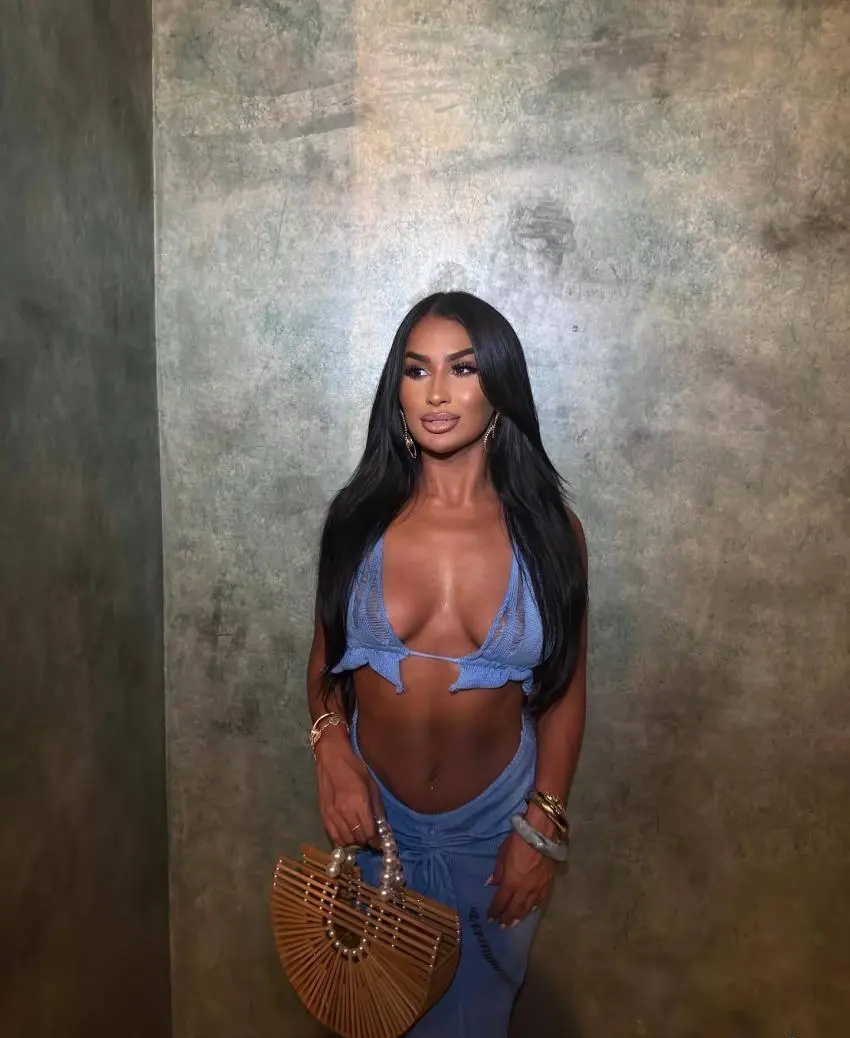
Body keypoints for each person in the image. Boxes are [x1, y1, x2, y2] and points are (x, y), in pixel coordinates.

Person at [306, 291, 588, 1037]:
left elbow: (565, 693)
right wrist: (331, 751)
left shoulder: (552, 534)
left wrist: (541, 828)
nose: (436, 392)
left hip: (497, 839)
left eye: (462, 369)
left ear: (499, 386)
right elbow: (324, 670)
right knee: (372, 1018)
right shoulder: (356, 521)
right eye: (416, 370)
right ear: (395, 391)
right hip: (374, 830)